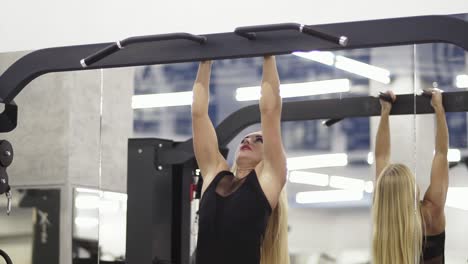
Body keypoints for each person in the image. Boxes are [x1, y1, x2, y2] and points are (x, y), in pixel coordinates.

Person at [191, 57, 289, 264]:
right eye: (244, 139)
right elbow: (198, 113)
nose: (248, 141)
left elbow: (270, 111)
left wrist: (268, 55)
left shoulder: (268, 181)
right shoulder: (215, 174)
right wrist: (205, 61)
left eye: (258, 140)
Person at [373, 89, 448, 264]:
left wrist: (385, 112)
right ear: (410, 189)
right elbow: (441, 154)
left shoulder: (384, 219)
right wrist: (439, 108)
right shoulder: (430, 214)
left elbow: (381, 158)